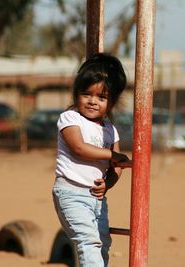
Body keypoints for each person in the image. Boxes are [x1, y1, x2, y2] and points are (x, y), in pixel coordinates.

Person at [52, 52, 132, 267]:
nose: (92, 101)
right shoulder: (70, 118)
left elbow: (117, 167)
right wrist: (111, 155)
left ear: (111, 102)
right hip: (71, 193)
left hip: (97, 199)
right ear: (76, 94)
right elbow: (79, 148)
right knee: (88, 242)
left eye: (101, 97)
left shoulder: (110, 130)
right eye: (86, 94)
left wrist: (108, 183)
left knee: (103, 242)